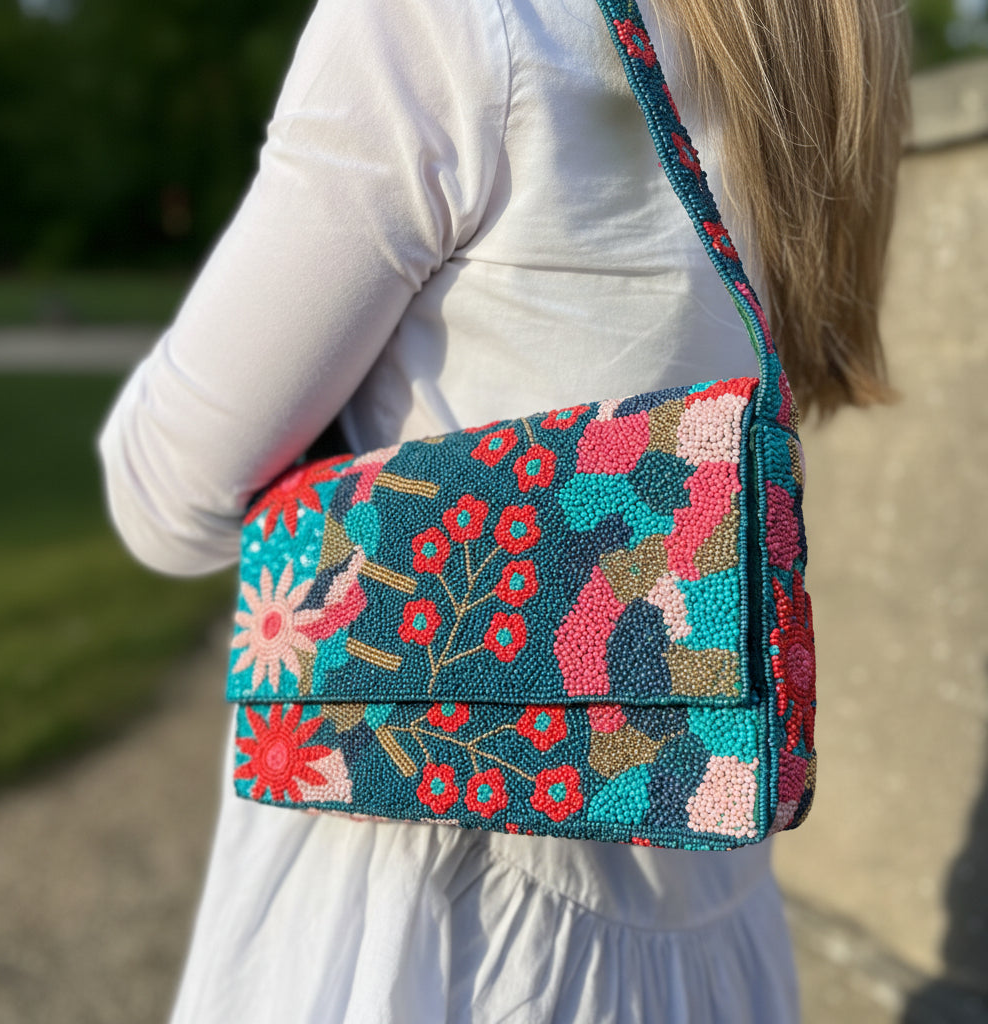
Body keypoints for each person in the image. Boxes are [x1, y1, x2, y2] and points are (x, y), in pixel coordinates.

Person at [98, 0, 909, 1020]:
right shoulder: (835, 38)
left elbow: (165, 494)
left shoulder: (452, 21)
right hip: (710, 920)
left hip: (437, 917)